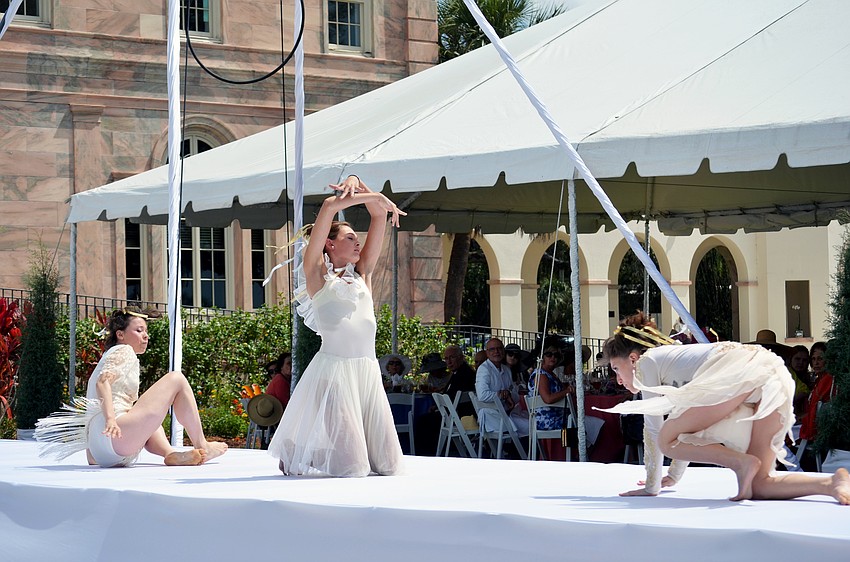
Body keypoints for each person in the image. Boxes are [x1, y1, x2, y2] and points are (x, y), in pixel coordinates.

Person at [598, 312, 849, 504]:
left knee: (664, 438)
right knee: (760, 485)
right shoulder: (674, 361)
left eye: (617, 369)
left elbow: (654, 430)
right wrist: (674, 476)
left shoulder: (647, 363)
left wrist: (651, 487)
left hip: (742, 373)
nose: (618, 379)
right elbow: (687, 428)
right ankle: (830, 483)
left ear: (633, 358)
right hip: (772, 378)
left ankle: (740, 463)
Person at [267, 174, 406, 477]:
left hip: (367, 372)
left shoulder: (363, 274)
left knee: (389, 466)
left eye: (357, 238)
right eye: (349, 238)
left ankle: (312, 451)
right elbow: (330, 205)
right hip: (333, 375)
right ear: (329, 244)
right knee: (353, 468)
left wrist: (362, 185)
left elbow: (379, 214)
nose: (358, 242)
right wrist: (366, 196)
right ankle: (296, 451)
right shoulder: (317, 275)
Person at [35, 308, 227, 467]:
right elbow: (103, 382)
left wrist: (96, 451)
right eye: (139, 330)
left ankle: (169, 453)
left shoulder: (109, 355)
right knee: (176, 379)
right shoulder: (124, 350)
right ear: (120, 334)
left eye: (146, 331)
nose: (146, 336)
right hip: (115, 433)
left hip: (101, 450)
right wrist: (111, 420)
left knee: (144, 414)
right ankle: (202, 444)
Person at [475, 337, 529, 439]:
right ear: (487, 353)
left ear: (503, 351)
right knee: (531, 426)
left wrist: (509, 394)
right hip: (493, 417)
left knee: (534, 421)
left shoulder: (506, 369)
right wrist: (502, 394)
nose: (496, 351)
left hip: (508, 413)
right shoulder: (484, 369)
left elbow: (515, 396)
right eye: (492, 349)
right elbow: (482, 395)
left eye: (499, 348)